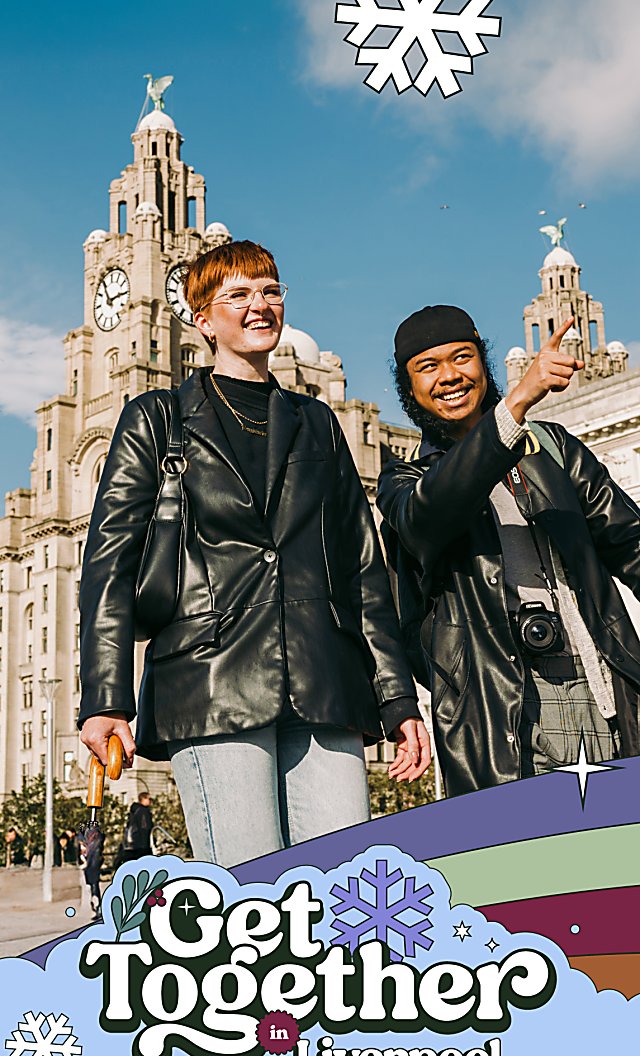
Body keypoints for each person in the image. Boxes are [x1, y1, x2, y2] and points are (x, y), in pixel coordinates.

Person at [78, 240, 430, 866]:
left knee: (344, 885)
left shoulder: (318, 422)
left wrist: (397, 696)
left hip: (324, 681)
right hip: (211, 680)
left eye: (269, 290)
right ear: (204, 319)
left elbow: (363, 570)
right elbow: (110, 559)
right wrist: (106, 698)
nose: (259, 304)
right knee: (249, 890)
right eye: (237, 294)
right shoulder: (156, 417)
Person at [377, 304, 640, 796]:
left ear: (483, 361)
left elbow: (629, 541)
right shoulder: (403, 480)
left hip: (599, 689)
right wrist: (515, 405)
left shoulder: (552, 448)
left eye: (462, 357)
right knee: (524, 847)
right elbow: (429, 518)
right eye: (428, 366)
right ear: (407, 387)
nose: (449, 376)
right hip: (494, 716)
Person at [114, 792, 154, 867]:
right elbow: (145, 827)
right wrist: (148, 842)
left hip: (132, 842)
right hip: (142, 843)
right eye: (149, 799)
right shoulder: (143, 811)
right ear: (143, 799)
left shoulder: (135, 810)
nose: (150, 801)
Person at [79, 825, 104, 919]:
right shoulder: (93, 842)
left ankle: (97, 909)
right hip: (91, 865)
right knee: (93, 887)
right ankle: (97, 908)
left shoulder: (94, 843)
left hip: (92, 866)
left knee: (94, 887)